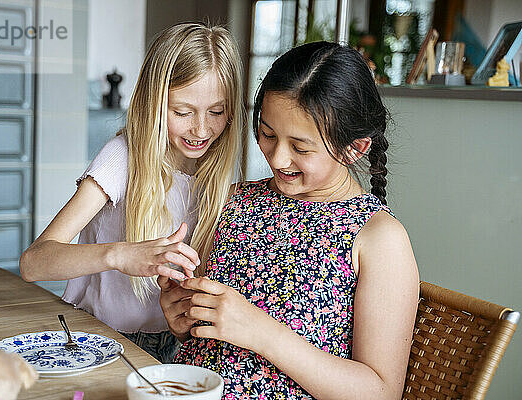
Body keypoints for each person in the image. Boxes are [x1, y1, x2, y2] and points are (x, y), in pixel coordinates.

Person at [159, 41, 419, 399]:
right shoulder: (233, 200)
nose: (278, 158)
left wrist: (260, 331)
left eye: (300, 147)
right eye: (268, 135)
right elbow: (206, 331)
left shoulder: (379, 238)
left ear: (355, 148)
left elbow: (379, 392)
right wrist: (182, 319)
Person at [19, 22, 245, 363]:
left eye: (217, 111)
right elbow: (33, 263)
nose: (201, 129)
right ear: (154, 102)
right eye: (182, 112)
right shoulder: (122, 157)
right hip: (98, 337)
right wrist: (119, 255)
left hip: (172, 345)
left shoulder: (213, 173)